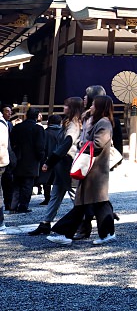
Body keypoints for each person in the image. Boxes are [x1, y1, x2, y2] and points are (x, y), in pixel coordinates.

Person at [47, 95, 117, 245]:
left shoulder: (104, 123)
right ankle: (106, 233)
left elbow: (97, 144)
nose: (90, 106)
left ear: (100, 107)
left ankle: (65, 233)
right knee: (95, 203)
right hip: (91, 170)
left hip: (95, 170)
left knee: (88, 204)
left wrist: (81, 143)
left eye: (93, 105)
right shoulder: (96, 121)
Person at [29, 98, 86, 236]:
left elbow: (67, 143)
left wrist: (50, 161)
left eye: (66, 105)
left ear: (72, 107)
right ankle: (45, 223)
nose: (64, 107)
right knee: (56, 195)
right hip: (62, 165)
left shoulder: (73, 124)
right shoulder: (70, 123)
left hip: (68, 164)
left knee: (75, 197)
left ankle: (86, 223)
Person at [10, 108, 45, 213]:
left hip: (18, 158)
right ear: (36, 116)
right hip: (31, 160)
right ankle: (23, 206)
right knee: (27, 184)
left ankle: (13, 204)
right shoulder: (38, 129)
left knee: (16, 184)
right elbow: (40, 146)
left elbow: (12, 142)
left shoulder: (17, 127)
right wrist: (41, 157)